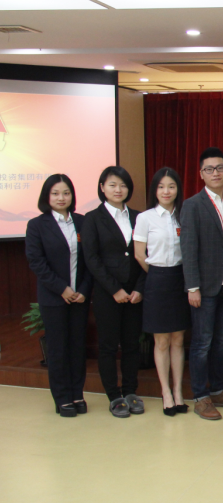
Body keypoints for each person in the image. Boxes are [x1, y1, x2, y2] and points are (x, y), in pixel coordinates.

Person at [181, 147, 223, 420]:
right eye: (209, 169)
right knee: (202, 343)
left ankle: (219, 389)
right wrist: (192, 287)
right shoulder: (192, 205)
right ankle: (201, 396)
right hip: (205, 286)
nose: (215, 173)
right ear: (201, 174)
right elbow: (188, 249)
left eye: (220, 168)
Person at [80, 166, 147, 418]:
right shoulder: (92, 218)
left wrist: (139, 288)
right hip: (108, 293)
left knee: (131, 345)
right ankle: (114, 396)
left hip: (134, 293)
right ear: (102, 188)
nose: (118, 189)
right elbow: (92, 258)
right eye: (112, 185)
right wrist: (115, 289)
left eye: (123, 185)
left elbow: (146, 255)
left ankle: (130, 391)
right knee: (108, 346)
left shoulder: (139, 217)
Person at [25, 174, 93, 417]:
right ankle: (62, 398)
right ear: (47, 196)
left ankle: (77, 393)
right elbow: (37, 262)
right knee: (58, 349)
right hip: (54, 298)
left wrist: (83, 290)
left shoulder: (82, 222)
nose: (61, 198)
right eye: (55, 193)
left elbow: (91, 260)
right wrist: (62, 289)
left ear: (72, 195)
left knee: (77, 347)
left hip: (79, 298)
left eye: (66, 193)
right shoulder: (37, 225)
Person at [132, 167, 190, 416]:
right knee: (162, 340)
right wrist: (157, 274)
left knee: (178, 339)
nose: (166, 191)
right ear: (154, 190)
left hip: (181, 279)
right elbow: (139, 254)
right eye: (161, 186)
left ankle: (178, 391)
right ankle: (165, 392)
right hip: (155, 280)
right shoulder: (145, 218)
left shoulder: (185, 215)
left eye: (171, 186)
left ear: (178, 189)